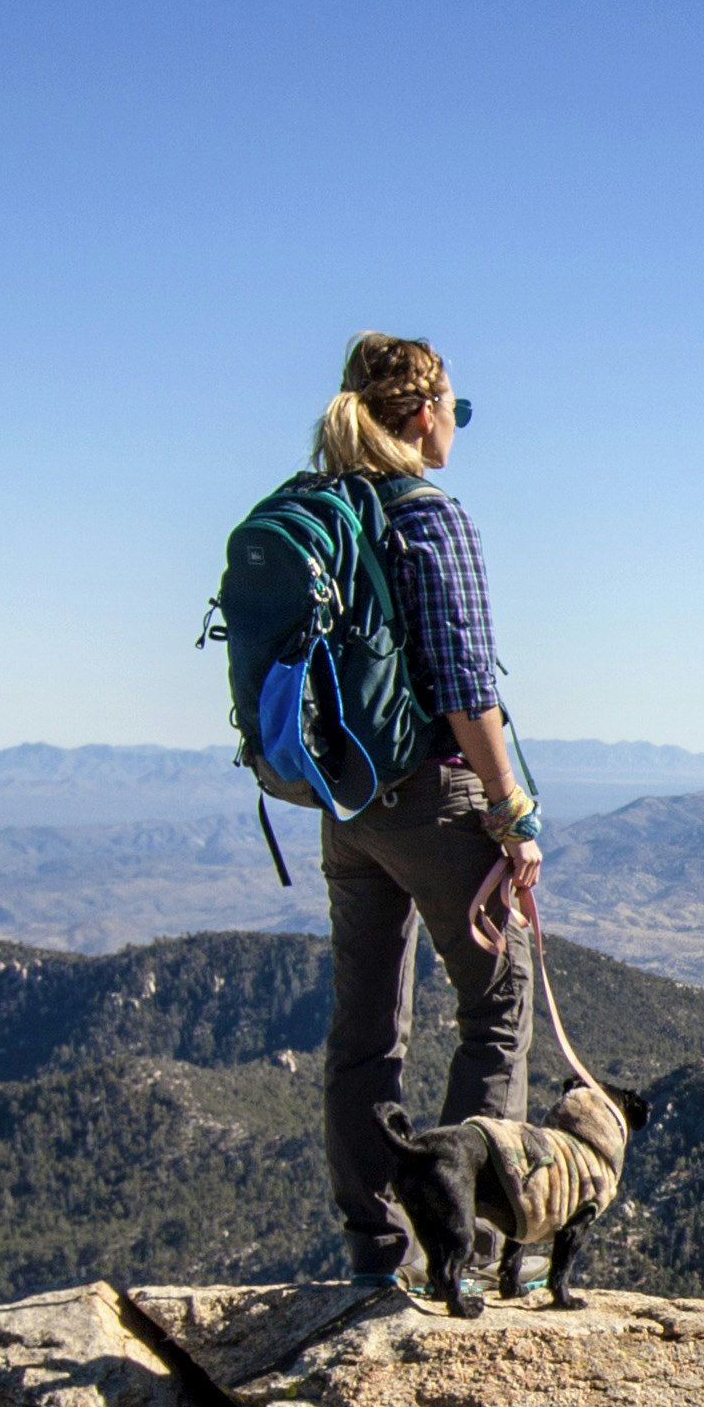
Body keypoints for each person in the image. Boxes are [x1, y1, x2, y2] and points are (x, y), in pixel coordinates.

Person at [305, 333, 545, 1288]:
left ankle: (376, 1246)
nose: (458, 427)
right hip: (431, 797)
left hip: (346, 801)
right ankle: (479, 1251)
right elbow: (463, 683)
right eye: (458, 410)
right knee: (498, 1005)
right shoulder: (428, 519)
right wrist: (510, 811)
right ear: (423, 416)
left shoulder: (336, 512)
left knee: (365, 1025)